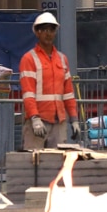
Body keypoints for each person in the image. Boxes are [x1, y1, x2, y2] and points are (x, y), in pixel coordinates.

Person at [20, 12, 79, 150]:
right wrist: (34, 118)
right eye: (44, 29)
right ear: (37, 32)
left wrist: (74, 119)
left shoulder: (62, 59)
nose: (48, 33)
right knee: (34, 165)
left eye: (51, 29)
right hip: (38, 121)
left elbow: (68, 93)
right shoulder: (29, 59)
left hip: (59, 122)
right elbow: (28, 93)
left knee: (57, 165)